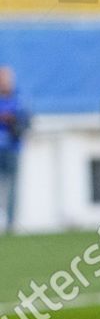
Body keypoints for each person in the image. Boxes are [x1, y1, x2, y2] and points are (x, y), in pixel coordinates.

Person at [0, 66, 28, 234]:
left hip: (12, 148)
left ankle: (11, 223)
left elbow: (25, 122)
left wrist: (13, 121)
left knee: (12, 187)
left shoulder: (19, 100)